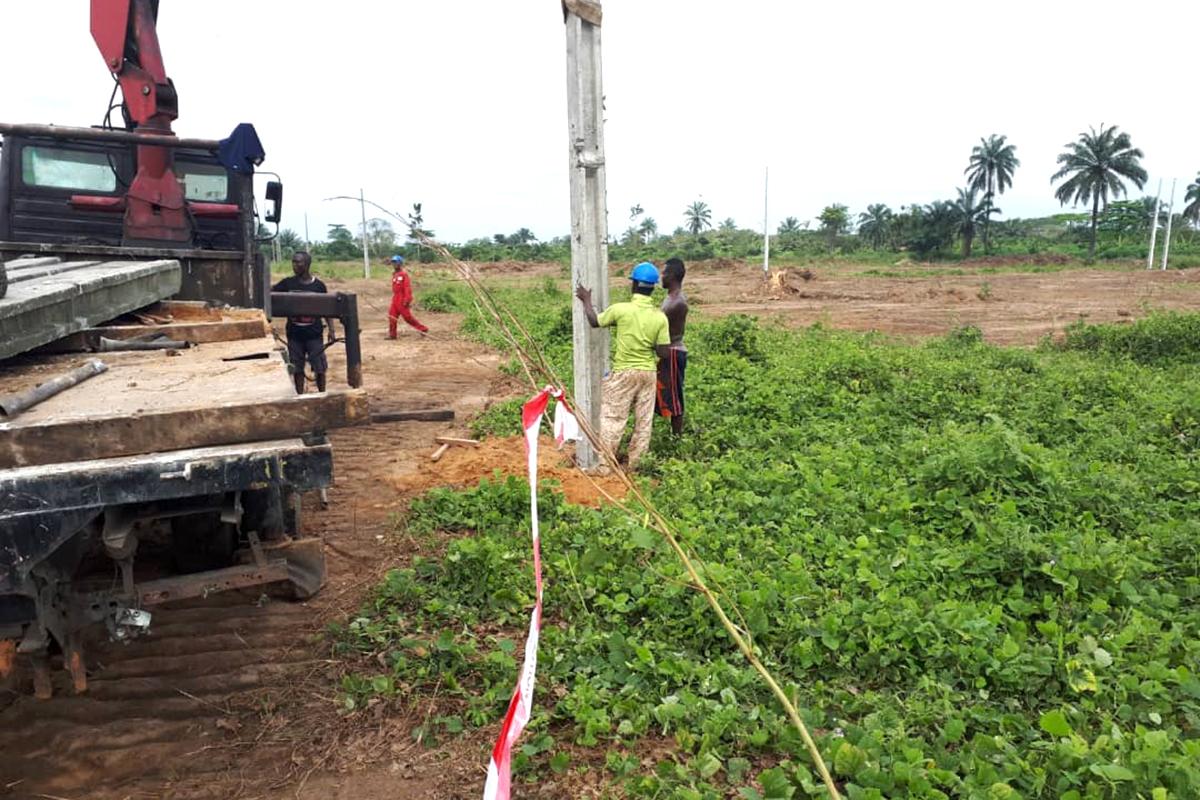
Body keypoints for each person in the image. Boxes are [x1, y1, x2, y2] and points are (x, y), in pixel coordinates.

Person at [575, 262, 670, 473]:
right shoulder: (659, 317)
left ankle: (605, 467)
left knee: (613, 418)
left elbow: (594, 321)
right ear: (653, 287)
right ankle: (636, 466)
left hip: (624, 373)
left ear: (634, 284)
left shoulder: (621, 310)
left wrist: (586, 300)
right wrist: (648, 342)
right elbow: (664, 352)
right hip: (648, 373)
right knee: (643, 423)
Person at [272, 251, 335, 394]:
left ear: (307, 264)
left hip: (314, 335)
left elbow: (327, 309)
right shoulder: (287, 283)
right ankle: (300, 396)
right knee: (297, 368)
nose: (294, 265)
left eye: (298, 262)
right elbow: (270, 295)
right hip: (294, 335)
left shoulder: (319, 286)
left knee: (319, 368)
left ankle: (322, 394)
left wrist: (331, 330)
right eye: (293, 262)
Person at [656, 258, 689, 436]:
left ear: (673, 276)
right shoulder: (670, 298)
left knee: (674, 397)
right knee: (663, 393)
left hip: (673, 352)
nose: (662, 276)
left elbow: (659, 324)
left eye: (665, 273)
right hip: (666, 352)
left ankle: (677, 438)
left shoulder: (678, 302)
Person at [388, 255, 428, 338]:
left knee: (407, 317)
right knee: (392, 317)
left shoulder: (404, 274)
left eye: (396, 262)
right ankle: (392, 334)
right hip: (395, 298)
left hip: (402, 299)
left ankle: (423, 329)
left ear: (400, 263)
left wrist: (407, 299)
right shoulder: (394, 274)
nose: (394, 264)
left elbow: (407, 288)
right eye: (393, 262)